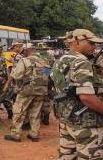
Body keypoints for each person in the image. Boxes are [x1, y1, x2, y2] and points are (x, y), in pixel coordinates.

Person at [51, 29, 103, 159]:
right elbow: (86, 97)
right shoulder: (82, 62)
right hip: (86, 123)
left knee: (67, 156)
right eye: (91, 43)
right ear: (77, 43)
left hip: (66, 119)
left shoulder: (60, 60)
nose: (94, 46)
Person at [4, 43, 50, 142]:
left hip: (27, 90)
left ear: (26, 50)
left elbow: (17, 75)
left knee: (18, 111)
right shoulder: (44, 61)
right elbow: (47, 76)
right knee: (36, 113)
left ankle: (15, 134)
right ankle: (34, 134)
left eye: (23, 51)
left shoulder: (24, 60)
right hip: (41, 90)